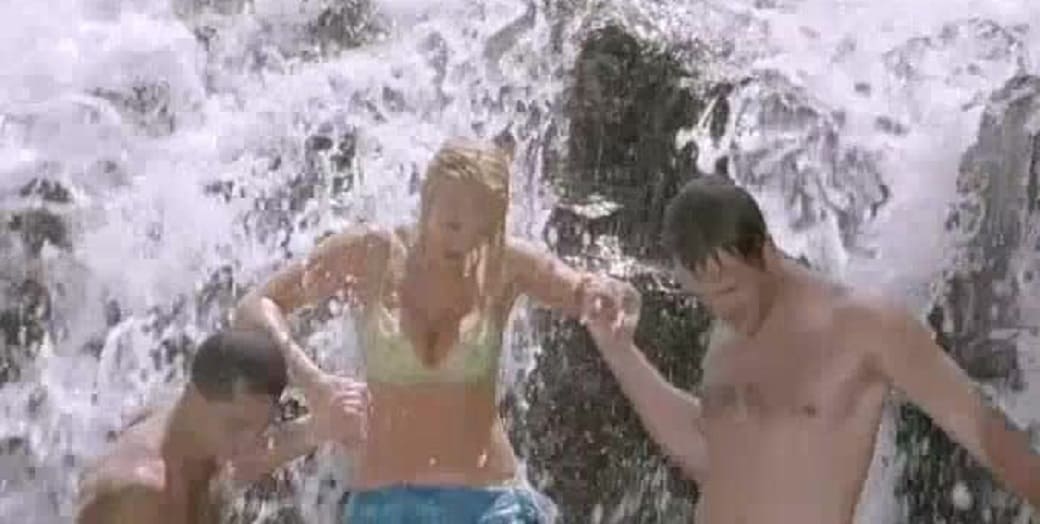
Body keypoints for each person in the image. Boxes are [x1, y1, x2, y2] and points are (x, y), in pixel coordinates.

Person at [581, 176, 1040, 523]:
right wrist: (619, 350)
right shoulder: (727, 340)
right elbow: (708, 453)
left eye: (730, 290)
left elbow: (988, 434)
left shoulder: (863, 325)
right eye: (705, 298)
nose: (721, 311)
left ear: (767, 252)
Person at [231, 138, 619, 523]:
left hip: (491, 502)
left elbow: (581, 291)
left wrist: (601, 295)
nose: (463, 241)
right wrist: (315, 384)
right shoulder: (371, 253)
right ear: (427, 198)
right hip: (386, 504)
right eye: (452, 224)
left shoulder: (504, 262)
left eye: (481, 229)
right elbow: (254, 308)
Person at [75, 328, 353, 524]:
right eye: (236, 426)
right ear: (196, 397)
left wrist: (320, 427)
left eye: (257, 429)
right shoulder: (140, 492)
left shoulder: (189, 434)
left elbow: (248, 460)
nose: (245, 444)